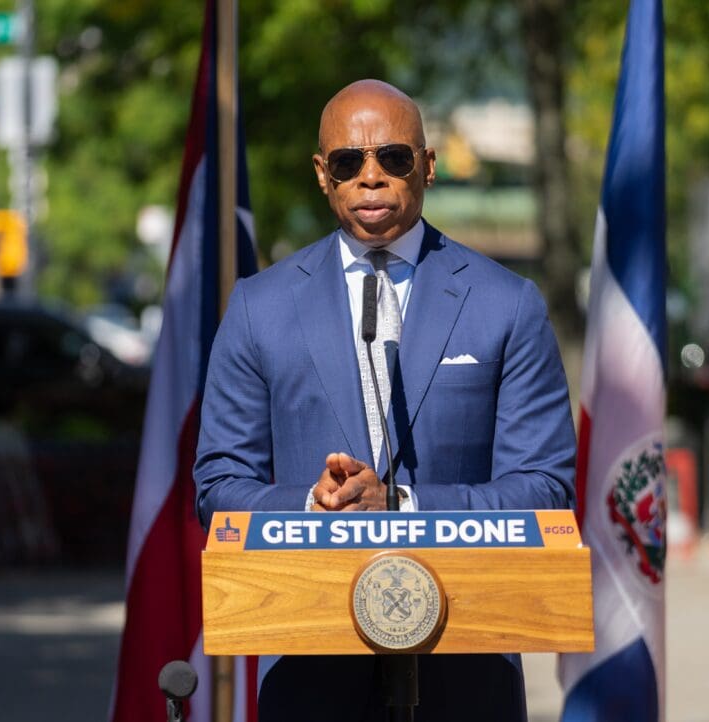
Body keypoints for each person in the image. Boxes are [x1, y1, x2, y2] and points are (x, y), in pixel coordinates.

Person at [194, 79, 576, 722]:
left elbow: (544, 487)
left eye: (393, 158)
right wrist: (315, 503)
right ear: (323, 175)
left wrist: (402, 505)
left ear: (426, 166)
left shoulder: (506, 303)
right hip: (310, 665)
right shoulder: (259, 307)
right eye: (348, 162)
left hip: (467, 661)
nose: (371, 178)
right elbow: (218, 485)